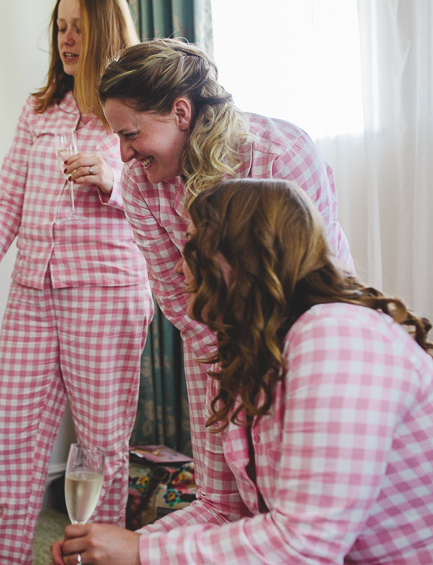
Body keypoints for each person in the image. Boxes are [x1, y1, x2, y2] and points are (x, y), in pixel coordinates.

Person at [51, 178, 433, 564]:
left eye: (193, 246)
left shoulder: (335, 335)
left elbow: (304, 545)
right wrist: (114, 546)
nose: (180, 267)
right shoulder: (255, 354)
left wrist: (141, 552)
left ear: (243, 253)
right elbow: (225, 511)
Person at [95, 37, 356, 531]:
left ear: (179, 111)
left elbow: (317, 287)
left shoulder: (282, 155)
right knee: (222, 500)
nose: (124, 155)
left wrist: (261, 375)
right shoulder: (138, 187)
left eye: (131, 134)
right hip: (213, 343)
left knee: (287, 501)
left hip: (309, 337)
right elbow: (176, 298)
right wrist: (227, 364)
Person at [0, 1, 150, 563]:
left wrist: (111, 180)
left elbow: (164, 194)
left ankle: (100, 554)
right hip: (32, 293)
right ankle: (0, 557)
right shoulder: (40, 108)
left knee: (101, 444)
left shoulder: (135, 109)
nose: (67, 40)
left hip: (105, 290)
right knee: (11, 436)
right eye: (60, 28)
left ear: (105, 33)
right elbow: (9, 194)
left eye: (78, 28)